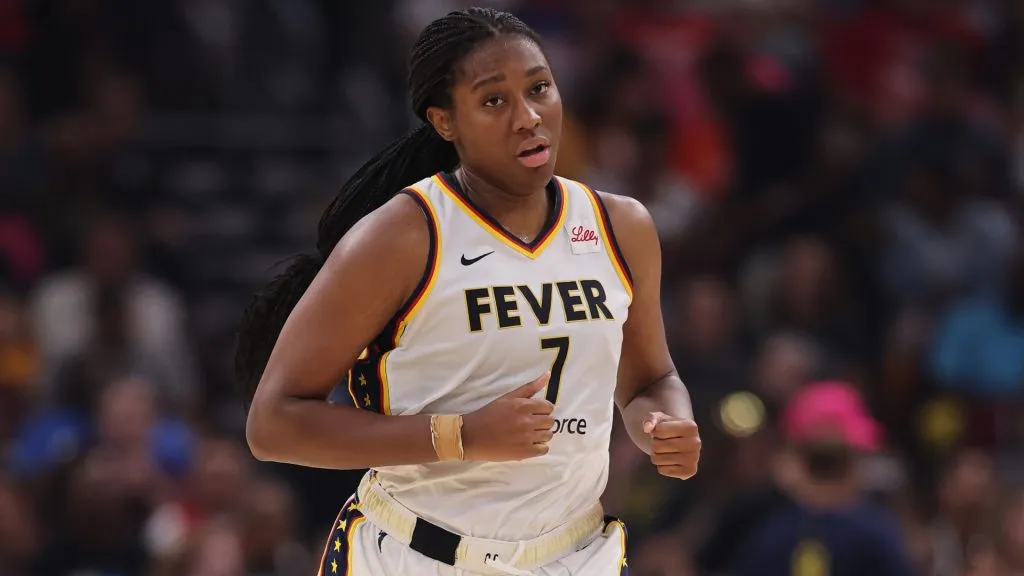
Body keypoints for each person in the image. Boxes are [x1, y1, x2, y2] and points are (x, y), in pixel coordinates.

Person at [236, 8, 700, 576]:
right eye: (493, 101)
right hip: (418, 554)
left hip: (575, 555)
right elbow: (273, 424)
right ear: (444, 121)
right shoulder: (402, 236)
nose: (529, 117)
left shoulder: (620, 226)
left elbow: (651, 379)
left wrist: (667, 423)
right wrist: (459, 435)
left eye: (539, 88)